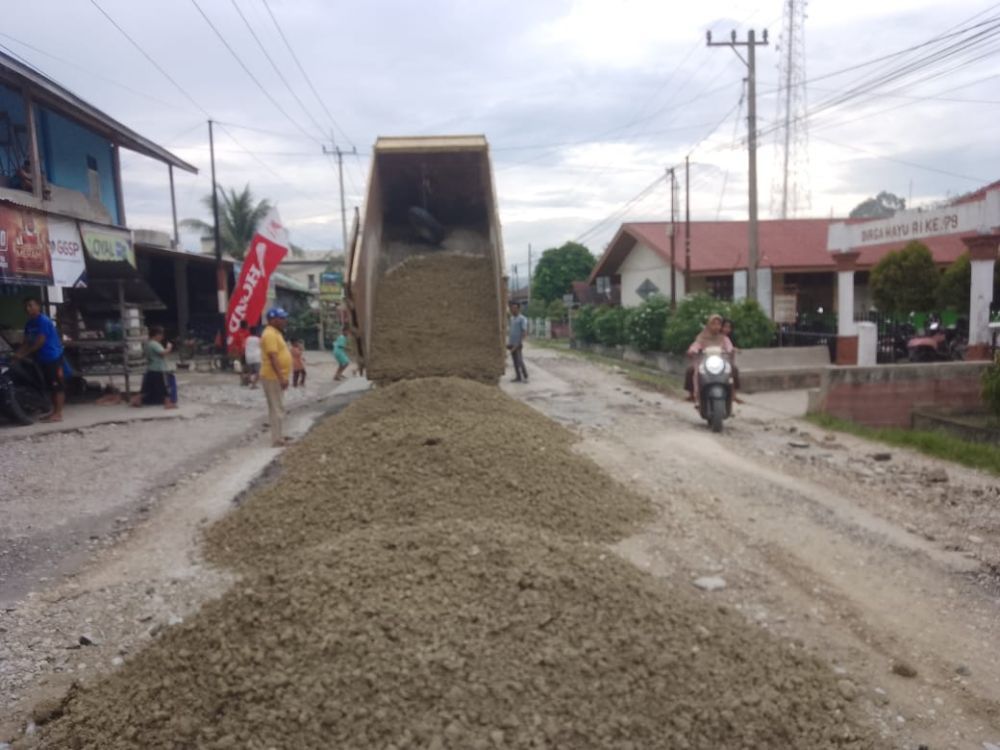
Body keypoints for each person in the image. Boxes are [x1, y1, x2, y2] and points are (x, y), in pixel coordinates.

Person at [14, 297, 65, 422]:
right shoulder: (29, 323)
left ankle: (58, 413)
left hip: (52, 357)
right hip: (41, 359)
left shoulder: (44, 321)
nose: (28, 308)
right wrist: (17, 355)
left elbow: (40, 342)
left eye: (31, 305)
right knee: (50, 386)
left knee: (57, 385)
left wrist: (24, 354)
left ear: (38, 306)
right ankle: (53, 411)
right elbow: (26, 342)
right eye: (26, 306)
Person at [260, 307, 292, 447]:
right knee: (276, 407)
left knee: (277, 405)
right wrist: (281, 377)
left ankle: (279, 434)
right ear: (273, 320)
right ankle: (277, 439)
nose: (285, 321)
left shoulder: (275, 333)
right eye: (282, 318)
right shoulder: (269, 334)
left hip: (276, 376)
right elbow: (273, 357)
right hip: (272, 376)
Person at [685, 314, 734, 407]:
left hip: (720, 364)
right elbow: (696, 345)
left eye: (718, 324)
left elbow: (729, 347)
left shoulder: (723, 338)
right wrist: (692, 350)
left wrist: (730, 350)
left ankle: (730, 400)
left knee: (730, 374)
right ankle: (697, 397)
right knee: (696, 374)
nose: (716, 326)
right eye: (713, 324)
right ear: (708, 325)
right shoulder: (702, 337)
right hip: (705, 364)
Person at [132, 326, 177, 409]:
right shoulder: (154, 344)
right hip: (159, 369)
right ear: (156, 335)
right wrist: (169, 348)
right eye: (161, 335)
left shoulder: (147, 344)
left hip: (151, 368)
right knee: (165, 387)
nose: (162, 337)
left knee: (147, 388)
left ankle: (136, 400)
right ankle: (167, 404)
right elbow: (162, 353)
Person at [507, 300, 529, 383]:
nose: (513, 309)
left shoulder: (522, 319)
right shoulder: (512, 318)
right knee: (515, 361)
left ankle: (525, 376)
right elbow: (511, 331)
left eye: (515, 308)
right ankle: (518, 377)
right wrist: (509, 343)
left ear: (519, 309)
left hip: (518, 343)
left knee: (519, 360)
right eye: (512, 308)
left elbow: (524, 332)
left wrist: (519, 343)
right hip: (511, 343)